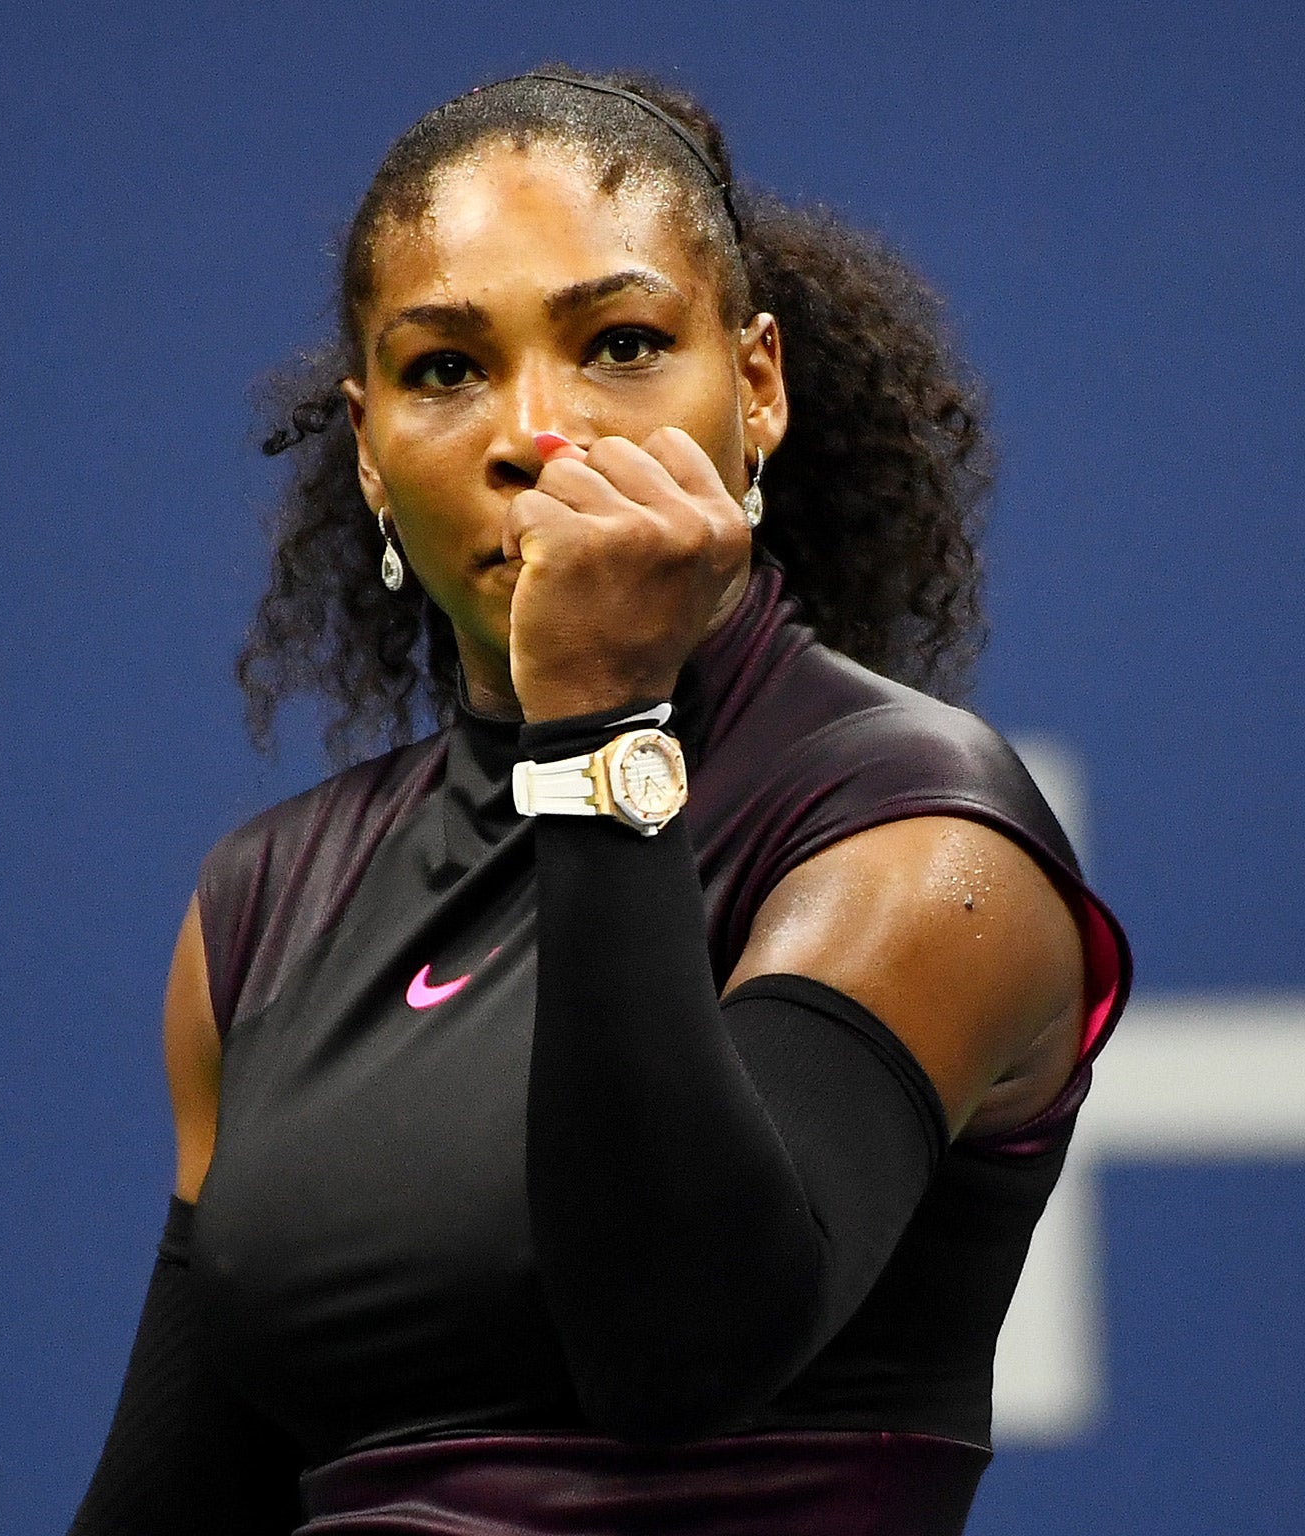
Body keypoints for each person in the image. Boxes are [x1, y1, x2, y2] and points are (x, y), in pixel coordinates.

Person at [69, 67, 1131, 1536]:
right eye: (445, 368)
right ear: (367, 447)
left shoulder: (920, 840)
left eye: (621, 344)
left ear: (756, 386)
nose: (536, 431)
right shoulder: (266, 910)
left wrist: (597, 724)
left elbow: (681, 1348)